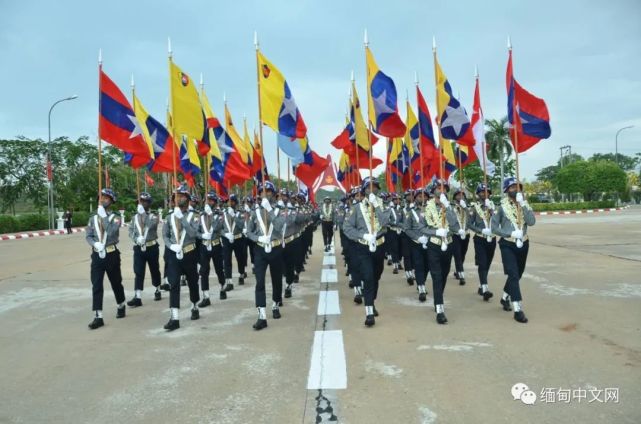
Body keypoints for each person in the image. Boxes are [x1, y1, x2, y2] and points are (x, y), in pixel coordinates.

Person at [343, 176, 390, 327]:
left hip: (380, 246)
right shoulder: (356, 208)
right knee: (368, 277)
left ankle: (372, 301)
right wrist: (362, 235)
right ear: (364, 190)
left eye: (375, 187)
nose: (372, 189)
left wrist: (376, 205)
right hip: (363, 247)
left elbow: (385, 222)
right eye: (369, 187)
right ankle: (369, 311)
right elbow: (347, 227)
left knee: (376, 276)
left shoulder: (383, 205)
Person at [491, 177, 536, 324]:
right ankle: (518, 309)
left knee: (518, 274)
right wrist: (509, 233)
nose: (516, 189)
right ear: (506, 190)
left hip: (524, 242)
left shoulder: (525, 204)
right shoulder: (501, 207)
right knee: (513, 273)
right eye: (512, 187)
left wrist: (523, 204)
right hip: (507, 243)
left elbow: (531, 222)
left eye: (518, 187)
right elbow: (494, 227)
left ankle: (505, 297)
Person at [246, 181, 287, 330]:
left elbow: (279, 225)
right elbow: (248, 232)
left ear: (274, 194)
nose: (266, 194)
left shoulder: (280, 210)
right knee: (260, 282)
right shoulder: (254, 212)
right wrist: (257, 239)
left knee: (277, 279)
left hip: (275, 249)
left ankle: (275, 304)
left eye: (269, 192)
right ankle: (261, 315)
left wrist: (269, 210)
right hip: (260, 250)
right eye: (263, 192)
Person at [162, 184, 201, 331]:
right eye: (177, 196)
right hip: (174, 254)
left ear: (188, 199)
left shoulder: (194, 216)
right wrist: (171, 246)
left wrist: (182, 219)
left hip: (189, 253)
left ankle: (195, 305)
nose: (180, 198)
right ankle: (174, 317)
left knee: (192, 282)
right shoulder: (169, 217)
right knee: (174, 285)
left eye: (182, 196)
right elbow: (165, 235)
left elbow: (193, 234)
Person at [85, 188, 125, 330]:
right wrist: (95, 243)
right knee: (96, 285)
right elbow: (88, 236)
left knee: (116, 283)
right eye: (101, 197)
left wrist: (104, 218)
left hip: (111, 254)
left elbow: (112, 232)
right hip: (97, 254)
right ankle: (98, 316)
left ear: (112, 201)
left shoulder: (116, 218)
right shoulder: (92, 218)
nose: (103, 200)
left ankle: (121, 303)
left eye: (106, 198)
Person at [423, 180, 461, 324]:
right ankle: (440, 309)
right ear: (433, 191)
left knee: (444, 275)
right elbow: (422, 227)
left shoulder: (450, 207)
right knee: (437, 276)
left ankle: (438, 296)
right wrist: (435, 231)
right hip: (434, 245)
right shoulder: (426, 207)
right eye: (439, 188)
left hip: (448, 244)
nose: (442, 190)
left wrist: (446, 206)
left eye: (444, 188)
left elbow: (455, 225)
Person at [127, 192, 162, 306]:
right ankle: (137, 296)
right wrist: (136, 239)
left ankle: (157, 288)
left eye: (145, 201)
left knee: (154, 269)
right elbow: (131, 231)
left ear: (149, 203)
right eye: (141, 201)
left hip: (152, 247)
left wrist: (143, 215)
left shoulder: (154, 215)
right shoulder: (134, 217)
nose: (143, 203)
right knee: (138, 272)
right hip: (139, 247)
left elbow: (152, 225)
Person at [467, 183, 496, 302]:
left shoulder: (494, 206)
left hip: (492, 238)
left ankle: (481, 284)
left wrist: (492, 210)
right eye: (482, 192)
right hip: (480, 238)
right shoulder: (474, 207)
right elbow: (469, 224)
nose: (485, 194)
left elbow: (498, 221)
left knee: (488, 263)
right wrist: (480, 230)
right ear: (478, 194)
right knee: (483, 263)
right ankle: (485, 289)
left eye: (487, 192)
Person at [198, 190, 226, 306]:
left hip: (216, 245)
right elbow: (196, 232)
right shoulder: (200, 215)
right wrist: (202, 236)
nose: (208, 202)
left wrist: (211, 215)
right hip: (204, 246)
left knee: (219, 269)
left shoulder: (219, 215)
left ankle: (222, 287)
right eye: (207, 200)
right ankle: (206, 296)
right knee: (204, 271)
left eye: (211, 200)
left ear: (215, 202)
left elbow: (218, 227)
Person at [403, 186, 431, 303]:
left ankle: (421, 282)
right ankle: (421, 288)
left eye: (425, 196)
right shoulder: (411, 212)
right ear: (415, 198)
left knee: (427, 266)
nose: (423, 198)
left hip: (430, 242)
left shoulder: (432, 211)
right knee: (419, 265)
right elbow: (407, 228)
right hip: (416, 243)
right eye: (420, 196)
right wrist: (417, 238)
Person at [451, 188, 470, 286]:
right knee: (457, 254)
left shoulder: (467, 207)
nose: (460, 197)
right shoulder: (451, 207)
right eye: (458, 195)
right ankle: (461, 275)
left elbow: (471, 218)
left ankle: (457, 269)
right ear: (455, 197)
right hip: (455, 234)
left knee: (462, 253)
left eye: (462, 195)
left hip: (466, 234)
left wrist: (465, 208)